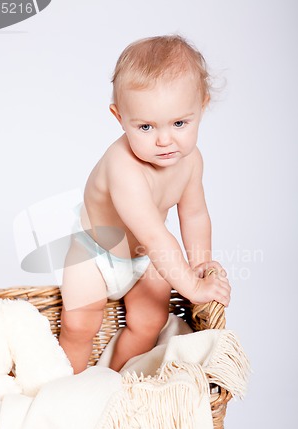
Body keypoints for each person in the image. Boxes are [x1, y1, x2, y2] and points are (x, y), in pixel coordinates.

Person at [59, 34, 231, 374]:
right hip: (94, 253)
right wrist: (192, 287)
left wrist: (200, 263)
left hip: (144, 260)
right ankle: (69, 388)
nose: (165, 140)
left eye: (180, 123)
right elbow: (154, 235)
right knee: (80, 324)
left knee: (149, 322)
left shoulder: (191, 161)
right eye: (146, 126)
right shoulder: (123, 167)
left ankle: (113, 381)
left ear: (202, 107)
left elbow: (194, 215)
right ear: (119, 117)